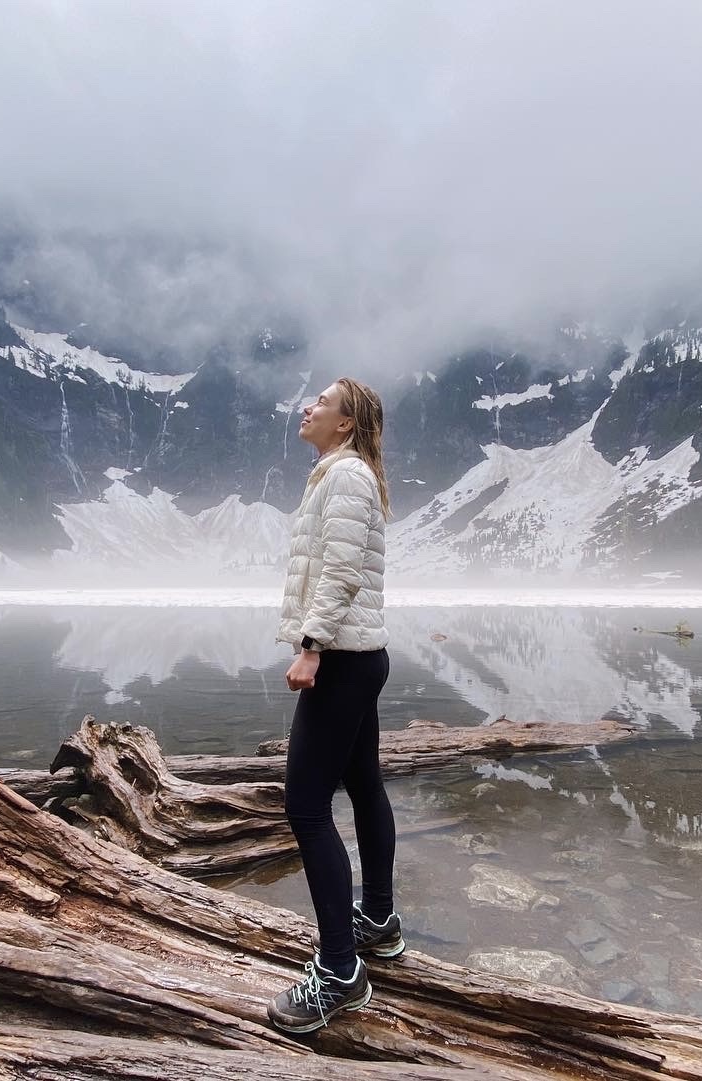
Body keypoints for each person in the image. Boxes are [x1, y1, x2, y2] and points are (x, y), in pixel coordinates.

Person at [267, 377, 403, 1034]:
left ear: (345, 423)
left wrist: (312, 644)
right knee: (361, 783)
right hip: (358, 654)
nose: (307, 407)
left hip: (342, 658)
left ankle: (342, 972)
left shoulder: (344, 477)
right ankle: (375, 918)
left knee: (304, 806)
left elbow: (342, 571)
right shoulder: (339, 474)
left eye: (320, 401)